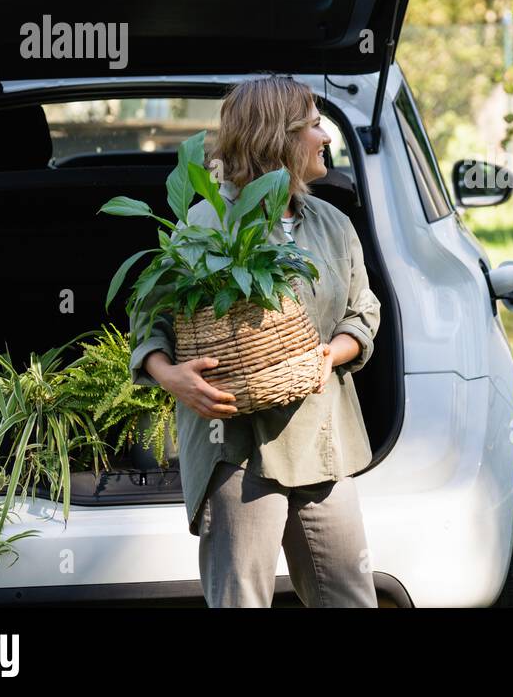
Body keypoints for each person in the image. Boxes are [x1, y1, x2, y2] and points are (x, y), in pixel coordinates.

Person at [128, 75, 382, 607]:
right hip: (237, 447)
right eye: (315, 126)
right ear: (278, 138)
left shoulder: (333, 224)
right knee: (241, 599)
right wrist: (171, 376)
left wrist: (329, 356)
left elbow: (364, 310)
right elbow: (151, 321)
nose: (326, 137)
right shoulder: (204, 225)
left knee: (350, 596)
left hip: (322, 439)